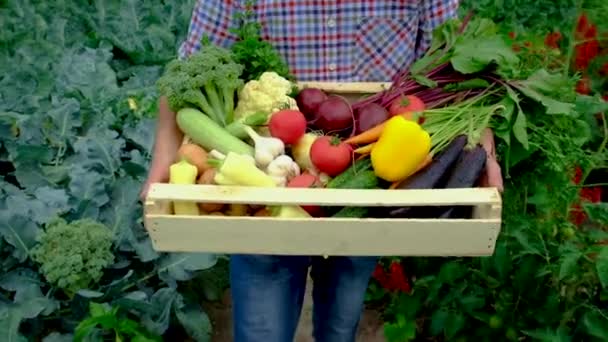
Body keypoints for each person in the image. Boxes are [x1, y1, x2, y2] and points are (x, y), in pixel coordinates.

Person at [141, 0, 504, 341]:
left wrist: (482, 151)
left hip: (370, 178)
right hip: (265, 184)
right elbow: (188, 70)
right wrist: (162, 161)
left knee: (341, 322)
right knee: (261, 329)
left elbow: (458, 69)